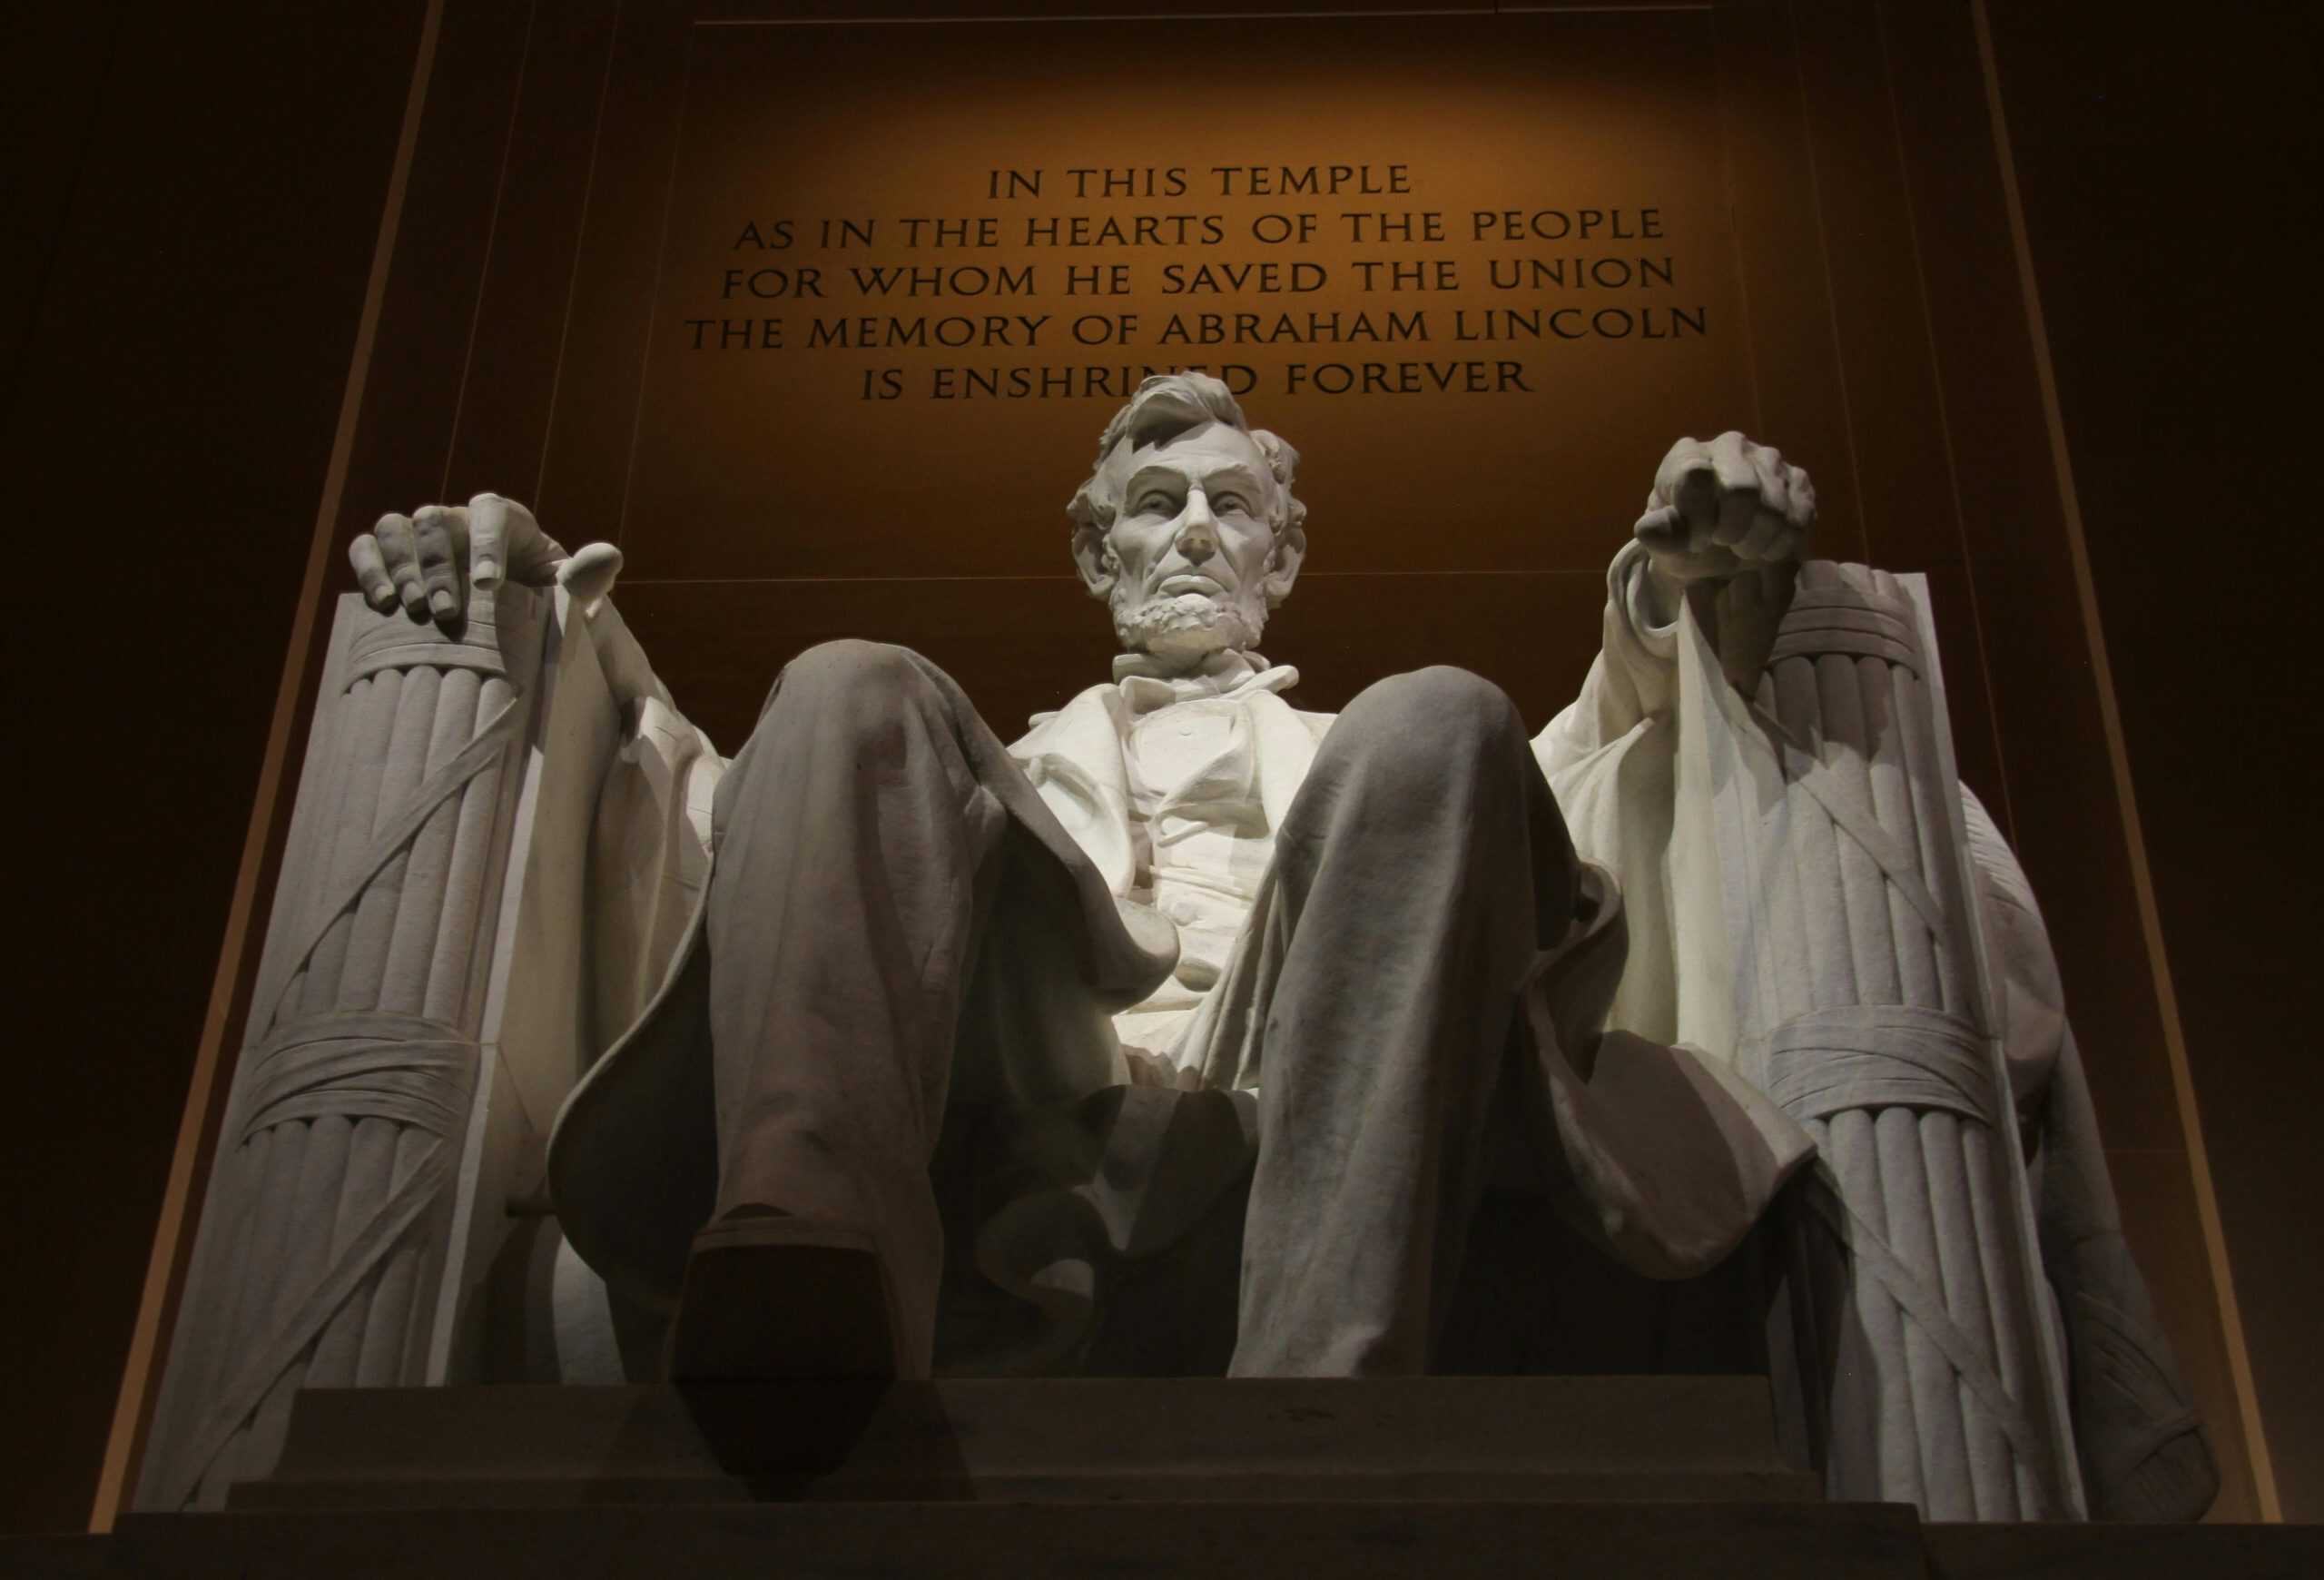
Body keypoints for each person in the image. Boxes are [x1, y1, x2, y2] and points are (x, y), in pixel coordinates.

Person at [348, 375, 1812, 1382]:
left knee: (1439, 708)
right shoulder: (989, 766)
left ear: (1282, 554)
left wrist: (1693, 585)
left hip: (1317, 1060)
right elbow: (705, 812)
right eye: (1154, 500)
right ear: (1096, 551)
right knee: (850, 681)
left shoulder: (1364, 754)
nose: (1191, 528)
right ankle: (805, 1255)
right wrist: (537, 620)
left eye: (1232, 508)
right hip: (1024, 1060)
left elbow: (1619, 747)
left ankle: (1326, 1388)